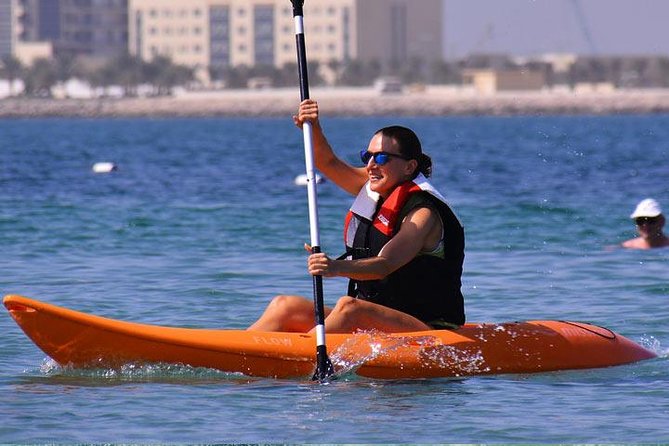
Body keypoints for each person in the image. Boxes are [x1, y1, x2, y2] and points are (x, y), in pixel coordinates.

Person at [248, 99, 465, 334]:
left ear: (409, 167)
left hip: (427, 328)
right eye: (367, 156)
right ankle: (237, 354)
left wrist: (334, 266)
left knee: (349, 307)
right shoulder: (373, 187)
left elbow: (386, 264)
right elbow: (328, 163)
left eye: (382, 158)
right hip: (374, 318)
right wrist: (313, 127)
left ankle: (296, 354)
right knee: (284, 306)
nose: (371, 165)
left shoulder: (423, 214)